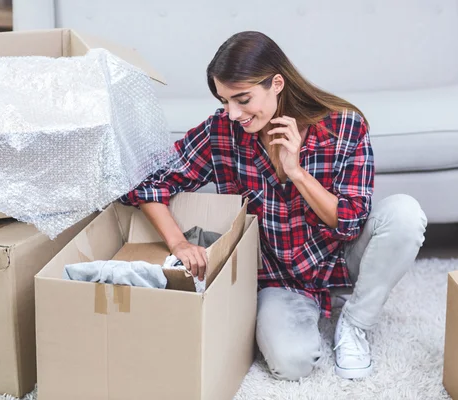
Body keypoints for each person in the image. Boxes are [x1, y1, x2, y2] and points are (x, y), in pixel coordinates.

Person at [122, 31, 427, 381]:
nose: (233, 113)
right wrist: (178, 243)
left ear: (277, 83)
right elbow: (147, 182)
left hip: (341, 257)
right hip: (279, 279)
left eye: (243, 99)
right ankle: (313, 309)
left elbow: (351, 223)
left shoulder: (344, 126)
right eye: (224, 101)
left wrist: (296, 172)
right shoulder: (222, 131)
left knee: (405, 213)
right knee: (291, 363)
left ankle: (355, 323)